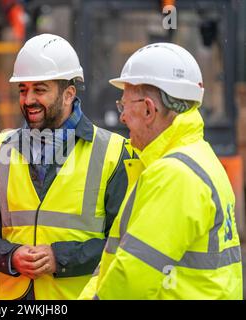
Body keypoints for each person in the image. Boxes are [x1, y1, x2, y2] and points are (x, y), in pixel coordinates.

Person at [0, 33, 131, 300]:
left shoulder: (113, 152)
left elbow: (126, 243)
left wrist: (60, 258)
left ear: (68, 94)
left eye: (39, 89)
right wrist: (11, 256)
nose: (28, 99)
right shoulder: (3, 149)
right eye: (23, 89)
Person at [80, 43, 243, 300]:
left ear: (148, 109)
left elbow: (129, 283)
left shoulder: (173, 174)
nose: (121, 118)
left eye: (124, 106)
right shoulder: (199, 158)